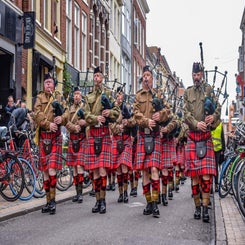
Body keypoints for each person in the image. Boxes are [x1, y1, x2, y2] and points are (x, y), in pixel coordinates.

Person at [183, 62, 221, 222]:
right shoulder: (188, 92)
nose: (195, 77)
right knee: (195, 177)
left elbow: (218, 108)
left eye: (198, 75)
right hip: (193, 136)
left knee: (206, 176)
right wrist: (195, 123)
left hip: (206, 138)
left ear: (202, 75)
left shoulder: (209, 90)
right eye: (193, 75)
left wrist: (213, 117)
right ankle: (197, 207)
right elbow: (185, 113)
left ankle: (206, 208)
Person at [133, 65, 169, 218]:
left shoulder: (158, 94)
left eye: (148, 75)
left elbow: (168, 111)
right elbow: (135, 114)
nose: (146, 77)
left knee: (154, 169)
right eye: (144, 75)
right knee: (145, 171)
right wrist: (146, 121)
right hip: (143, 134)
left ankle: (155, 203)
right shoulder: (138, 95)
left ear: (152, 78)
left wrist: (160, 115)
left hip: (154, 136)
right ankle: (148, 202)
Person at [84, 66, 120, 214]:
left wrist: (109, 112)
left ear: (103, 78)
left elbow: (116, 113)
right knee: (95, 171)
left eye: (99, 76)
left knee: (102, 169)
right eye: (95, 76)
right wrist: (95, 118)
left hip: (104, 133)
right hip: (93, 132)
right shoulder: (89, 96)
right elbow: (85, 115)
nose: (97, 79)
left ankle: (103, 201)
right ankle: (97, 201)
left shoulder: (109, 94)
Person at [33, 73, 69, 215]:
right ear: (44, 85)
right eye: (46, 82)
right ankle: (48, 202)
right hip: (43, 136)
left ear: (54, 85)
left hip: (55, 138)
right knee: (46, 172)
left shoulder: (59, 97)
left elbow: (67, 112)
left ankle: (53, 202)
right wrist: (48, 124)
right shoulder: (39, 98)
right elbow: (37, 114)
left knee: (52, 169)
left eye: (50, 82)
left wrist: (62, 118)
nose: (48, 84)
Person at [110, 86, 135, 203]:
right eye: (118, 94)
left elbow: (134, 122)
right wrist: (117, 127)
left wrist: (127, 122)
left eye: (121, 95)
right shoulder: (112, 109)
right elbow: (110, 125)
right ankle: (120, 193)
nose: (120, 97)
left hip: (125, 139)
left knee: (124, 165)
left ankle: (126, 192)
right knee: (118, 169)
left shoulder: (127, 108)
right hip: (116, 138)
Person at [65, 87, 87, 203]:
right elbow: (66, 121)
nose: (77, 96)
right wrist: (74, 127)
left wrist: (83, 124)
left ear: (81, 95)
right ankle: (77, 193)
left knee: (79, 166)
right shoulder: (70, 108)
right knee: (74, 167)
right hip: (73, 138)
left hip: (82, 138)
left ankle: (81, 194)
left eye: (78, 94)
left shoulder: (85, 107)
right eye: (75, 94)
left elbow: (89, 120)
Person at [211, 121, 226, 192]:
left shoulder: (220, 124)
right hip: (209, 149)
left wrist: (223, 149)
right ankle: (210, 185)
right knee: (210, 168)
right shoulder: (209, 123)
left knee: (215, 167)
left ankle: (216, 185)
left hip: (217, 150)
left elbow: (222, 137)